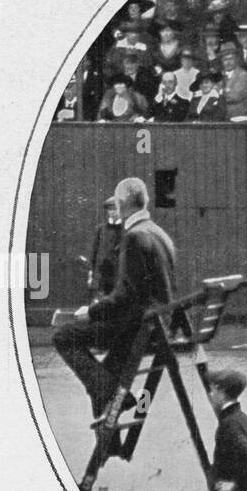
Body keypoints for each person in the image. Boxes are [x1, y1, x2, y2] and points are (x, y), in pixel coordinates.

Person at [54, 177, 175, 425]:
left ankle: (116, 397)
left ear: (120, 204)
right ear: (146, 201)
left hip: (138, 327)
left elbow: (125, 296)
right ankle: (110, 436)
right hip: (157, 324)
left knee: (64, 337)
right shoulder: (160, 234)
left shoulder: (133, 237)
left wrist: (92, 311)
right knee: (102, 378)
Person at [204, 369, 247, 491]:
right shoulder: (240, 418)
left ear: (221, 392)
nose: (210, 395)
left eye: (213, 390)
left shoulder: (230, 423)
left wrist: (234, 484)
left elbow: (245, 453)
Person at [89, 197, 123, 299]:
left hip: (119, 275)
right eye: (110, 209)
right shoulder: (101, 229)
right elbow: (95, 253)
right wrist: (92, 274)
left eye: (115, 209)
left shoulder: (126, 229)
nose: (112, 212)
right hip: (103, 276)